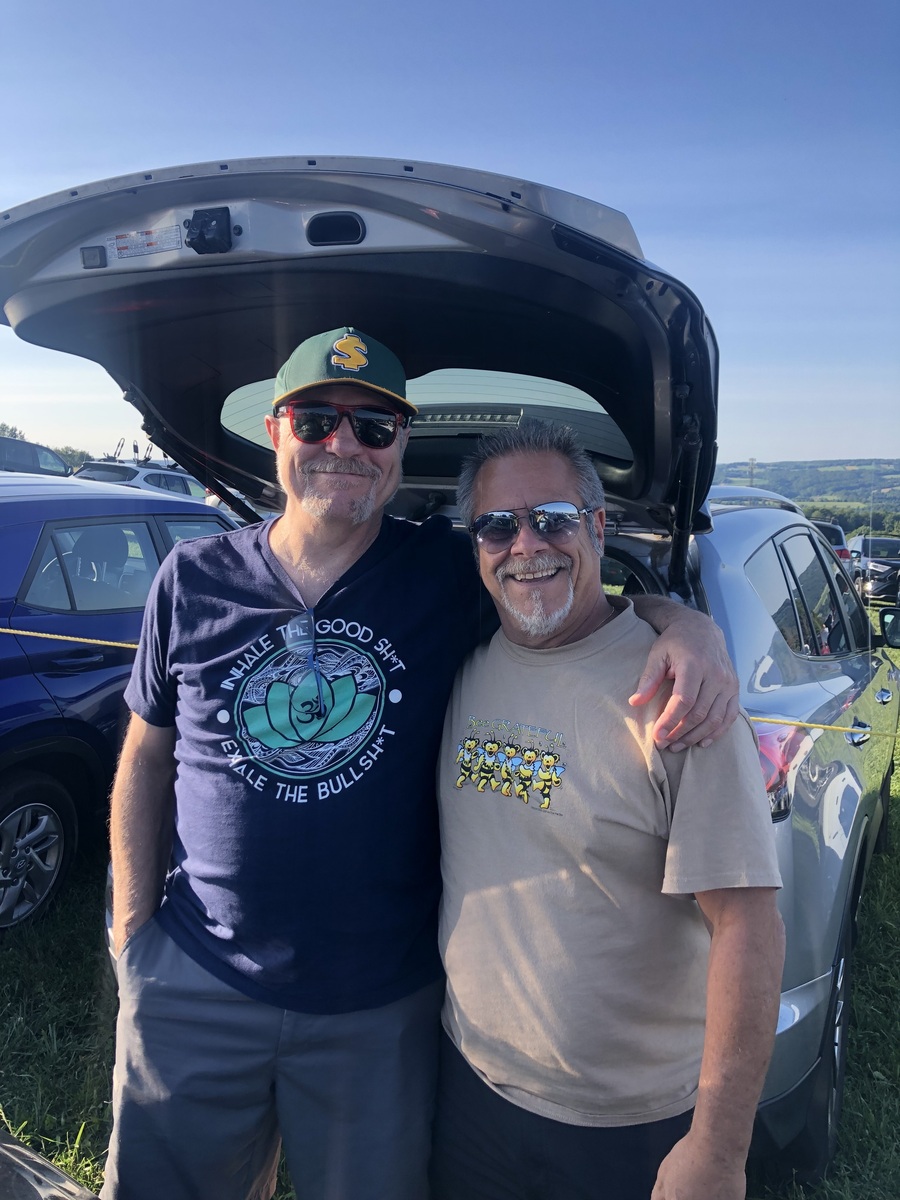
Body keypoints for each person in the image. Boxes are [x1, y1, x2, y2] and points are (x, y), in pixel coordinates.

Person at [103, 328, 742, 1200]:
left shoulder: (445, 571)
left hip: (378, 1008)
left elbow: (565, 588)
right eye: (317, 420)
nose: (344, 445)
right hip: (195, 979)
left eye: (374, 428)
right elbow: (147, 756)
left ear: (400, 446)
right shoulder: (191, 578)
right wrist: (133, 935)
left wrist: (686, 626)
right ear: (276, 430)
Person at [431, 420, 785, 1200]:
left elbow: (749, 926)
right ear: (476, 545)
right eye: (498, 526)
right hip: (469, 1090)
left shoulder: (681, 698)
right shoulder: (462, 662)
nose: (526, 544)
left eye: (553, 519)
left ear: (596, 526)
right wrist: (678, 613)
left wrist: (718, 1149)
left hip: (628, 1128)